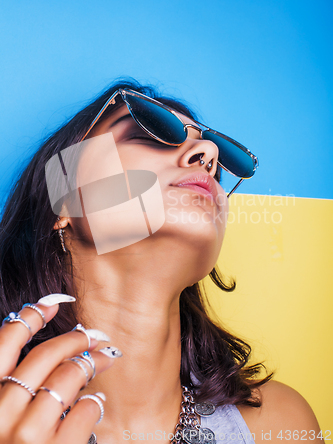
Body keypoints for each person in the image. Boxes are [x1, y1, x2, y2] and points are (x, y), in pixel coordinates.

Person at [0, 79, 322, 444]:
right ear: (63, 195)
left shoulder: (278, 424)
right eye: (151, 132)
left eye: (215, 167)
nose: (207, 153)